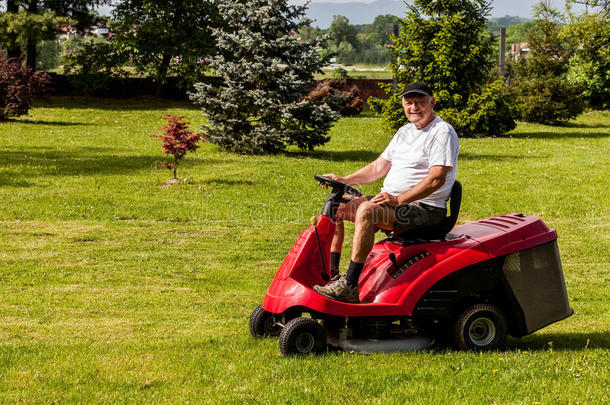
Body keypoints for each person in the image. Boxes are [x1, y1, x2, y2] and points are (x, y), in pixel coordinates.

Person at [313, 81, 460, 303]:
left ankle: (350, 285)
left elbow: (436, 179)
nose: (414, 107)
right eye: (408, 102)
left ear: (432, 102)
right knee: (338, 208)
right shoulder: (404, 132)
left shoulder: (442, 132)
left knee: (367, 211)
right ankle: (333, 277)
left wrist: (398, 199)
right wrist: (345, 180)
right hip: (393, 203)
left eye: (419, 102)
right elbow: (378, 168)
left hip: (425, 209)